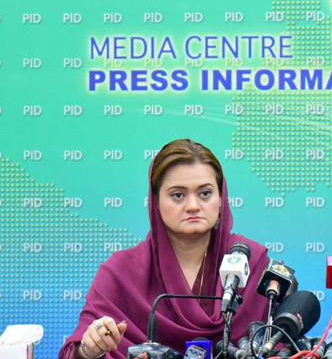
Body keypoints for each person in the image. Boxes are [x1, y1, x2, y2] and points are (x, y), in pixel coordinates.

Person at [59, 139, 272, 359]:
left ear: (220, 198)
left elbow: (282, 343)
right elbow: (74, 353)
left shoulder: (251, 261)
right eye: (178, 195)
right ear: (156, 201)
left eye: (205, 193)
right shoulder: (121, 272)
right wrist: (90, 349)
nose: (193, 206)